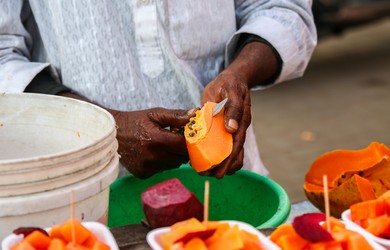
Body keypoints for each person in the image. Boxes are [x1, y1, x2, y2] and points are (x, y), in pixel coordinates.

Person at [0, 0, 317, 179]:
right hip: (86, 196)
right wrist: (106, 130)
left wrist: (240, 71)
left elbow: (283, 9)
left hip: (229, 178)